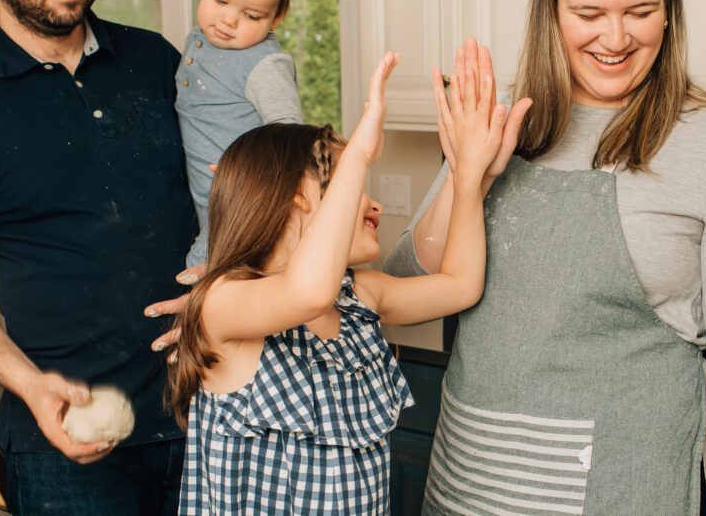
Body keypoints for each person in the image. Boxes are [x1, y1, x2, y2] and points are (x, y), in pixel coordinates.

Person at [385, 0, 706, 513]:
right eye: (589, 13)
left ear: (670, 12)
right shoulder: (504, 117)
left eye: (640, 10)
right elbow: (401, 286)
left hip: (621, 485)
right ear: (551, 11)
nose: (615, 38)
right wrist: (468, 174)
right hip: (473, 479)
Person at [170, 52, 526, 513]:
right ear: (300, 197)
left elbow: (460, 284)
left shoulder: (359, 296)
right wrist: (357, 150)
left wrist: (471, 175)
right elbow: (305, 291)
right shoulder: (223, 303)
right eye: (349, 185)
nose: (373, 204)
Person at [0, 0, 195, 513]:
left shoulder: (155, 61)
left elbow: (228, 198)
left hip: (208, 424)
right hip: (63, 446)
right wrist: (29, 384)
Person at [176, 0, 305, 269]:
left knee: (207, 271)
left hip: (240, 204)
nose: (229, 20)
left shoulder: (263, 64)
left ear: (277, 17)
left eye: (251, 15)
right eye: (221, 0)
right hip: (203, 200)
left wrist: (252, 171)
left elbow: (289, 133)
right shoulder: (196, 39)